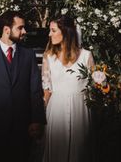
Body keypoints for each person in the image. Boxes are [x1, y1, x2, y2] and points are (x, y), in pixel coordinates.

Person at [0, 10, 46, 162]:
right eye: (20, 28)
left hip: (23, 126)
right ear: (7, 30)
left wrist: (37, 119)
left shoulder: (28, 55)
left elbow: (35, 90)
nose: (24, 31)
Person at [41, 14, 95, 162]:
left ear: (65, 32)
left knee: (80, 151)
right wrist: (38, 117)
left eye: (53, 30)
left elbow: (94, 87)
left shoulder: (86, 56)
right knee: (57, 151)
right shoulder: (49, 56)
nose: (49, 34)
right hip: (56, 110)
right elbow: (47, 89)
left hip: (81, 109)